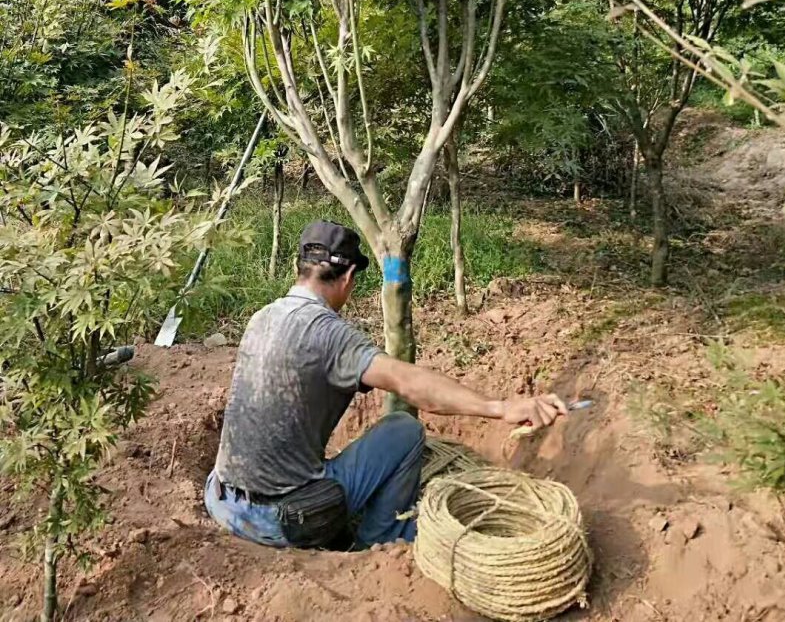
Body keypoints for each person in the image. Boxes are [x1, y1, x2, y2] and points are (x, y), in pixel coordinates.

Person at [205, 219, 566, 549]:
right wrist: (498, 407)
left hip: (220, 500)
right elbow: (409, 384)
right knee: (404, 429)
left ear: (300, 269)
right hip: (278, 522)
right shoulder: (327, 333)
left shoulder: (261, 317)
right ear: (347, 277)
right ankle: (381, 538)